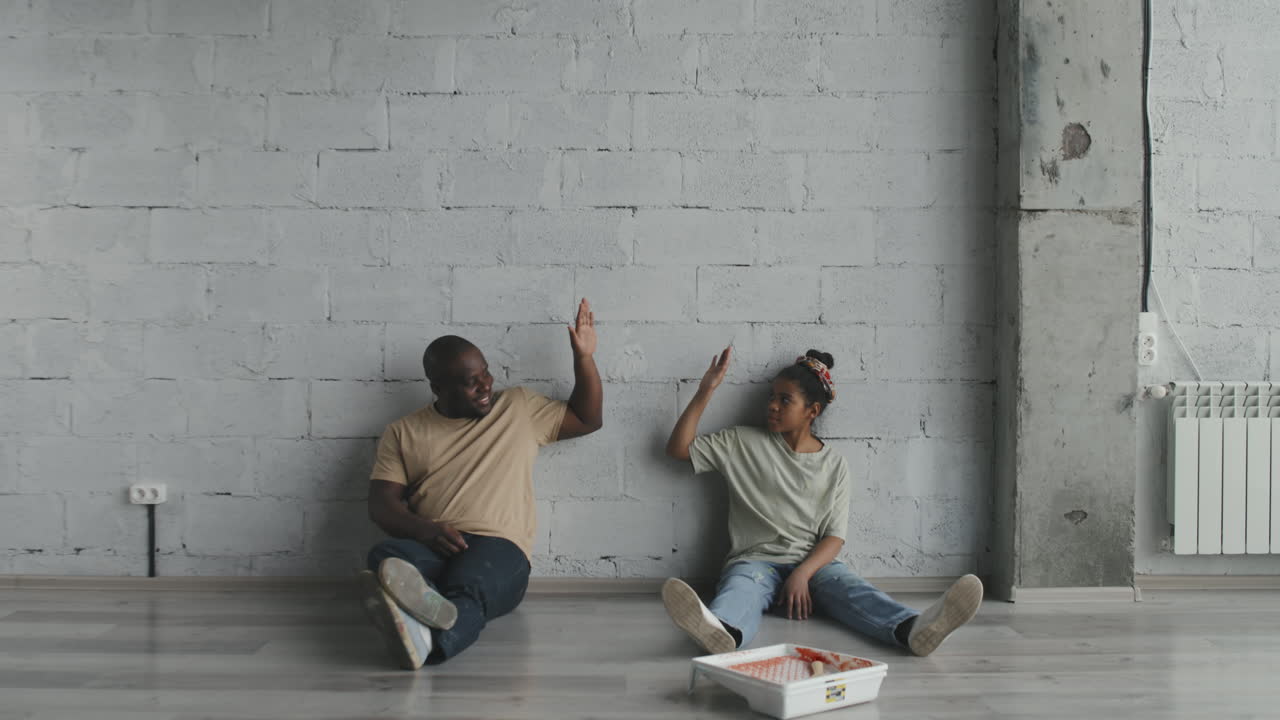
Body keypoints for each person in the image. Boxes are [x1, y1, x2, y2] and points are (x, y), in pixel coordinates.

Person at [660, 347, 982, 657]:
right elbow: (678, 449)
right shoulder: (741, 442)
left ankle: (913, 629)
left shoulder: (835, 465)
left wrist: (802, 574)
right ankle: (722, 632)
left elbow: (834, 537)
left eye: (785, 400)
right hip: (754, 561)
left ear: (812, 411)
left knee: (851, 587)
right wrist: (706, 390)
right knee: (741, 588)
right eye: (772, 397)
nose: (772, 405)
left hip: (814, 566)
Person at [359, 299, 603, 670]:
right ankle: (424, 608)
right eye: (470, 382)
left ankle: (428, 639)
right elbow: (381, 504)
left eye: (486, 373)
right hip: (436, 544)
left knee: (470, 585)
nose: (485, 385)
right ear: (438, 388)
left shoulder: (517, 407)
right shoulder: (403, 431)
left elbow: (588, 418)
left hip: (499, 552)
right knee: (385, 558)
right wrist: (424, 529)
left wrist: (583, 359)